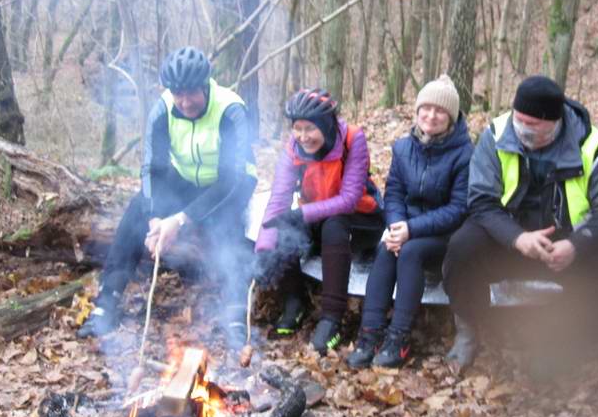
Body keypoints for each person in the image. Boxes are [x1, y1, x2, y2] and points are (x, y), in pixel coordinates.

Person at [442, 75, 598, 367]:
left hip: (566, 245)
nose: (522, 130)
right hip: (508, 237)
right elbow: (481, 201)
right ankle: (469, 330)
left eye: (532, 126)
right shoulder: (495, 136)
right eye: (519, 120)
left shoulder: (592, 147)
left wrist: (576, 245)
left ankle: (569, 339)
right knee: (461, 248)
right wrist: (517, 238)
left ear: (555, 122)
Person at [78, 46, 257, 344]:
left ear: (205, 85)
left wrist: (181, 219)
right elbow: (152, 169)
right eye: (177, 93)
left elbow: (231, 179)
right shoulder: (162, 109)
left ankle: (236, 312)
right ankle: (106, 302)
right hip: (185, 177)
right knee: (137, 210)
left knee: (228, 225)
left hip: (230, 184)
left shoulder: (230, 110)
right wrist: (155, 219)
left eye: (191, 93)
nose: (184, 101)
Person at [347, 75, 473, 369]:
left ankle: (399, 337)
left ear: (451, 117)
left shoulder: (465, 153)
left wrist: (411, 230)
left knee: (411, 251)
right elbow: (393, 194)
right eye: (425, 108)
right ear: (416, 112)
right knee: (386, 250)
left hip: (444, 234)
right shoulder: (403, 148)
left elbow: (458, 209)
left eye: (440, 110)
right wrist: (395, 226)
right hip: (406, 227)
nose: (431, 115)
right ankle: (370, 333)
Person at [254, 88, 384, 355]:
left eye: (309, 129)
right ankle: (295, 302)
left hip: (361, 219)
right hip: (316, 215)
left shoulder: (352, 139)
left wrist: (302, 214)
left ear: (326, 125)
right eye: (297, 128)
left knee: (335, 225)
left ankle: (332, 319)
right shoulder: (293, 147)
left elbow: (348, 199)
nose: (303, 137)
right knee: (284, 227)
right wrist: (264, 249)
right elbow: (278, 199)